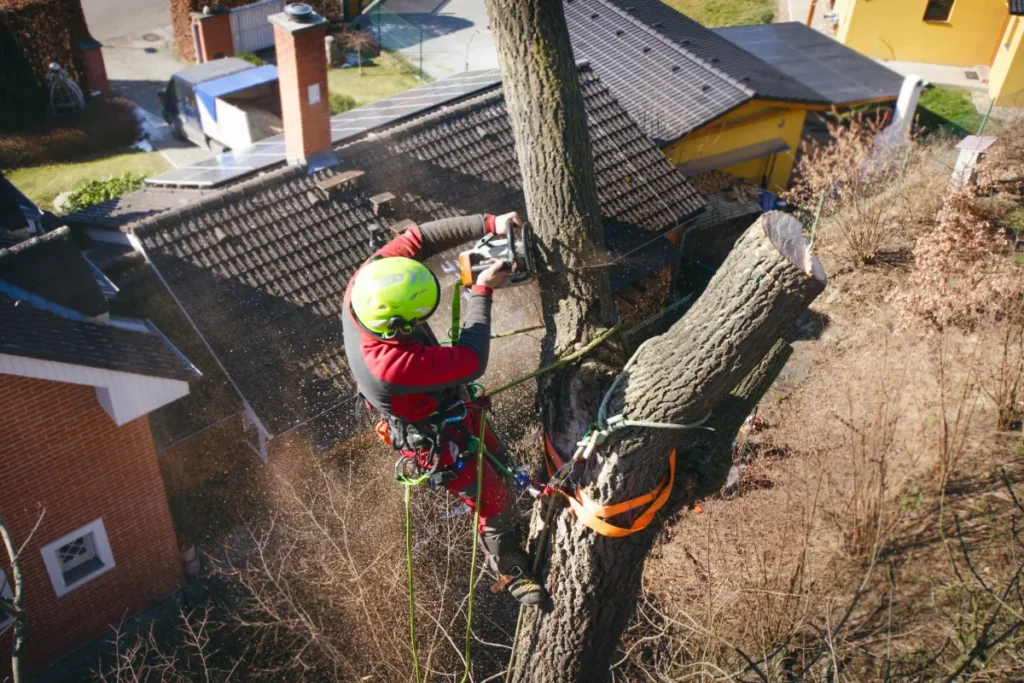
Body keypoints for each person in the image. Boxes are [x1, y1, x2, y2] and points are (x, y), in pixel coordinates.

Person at [342, 211, 547, 607]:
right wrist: (480, 293)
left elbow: (419, 238)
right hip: (436, 436)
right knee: (491, 498)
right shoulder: (391, 367)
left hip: (452, 403)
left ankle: (517, 508)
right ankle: (512, 570)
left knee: (499, 462)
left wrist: (489, 223)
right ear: (398, 326)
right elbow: (471, 358)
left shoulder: (368, 282)